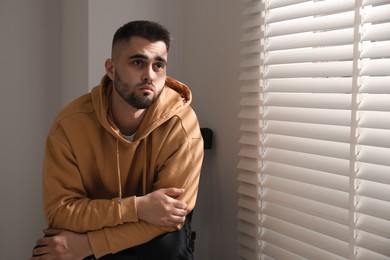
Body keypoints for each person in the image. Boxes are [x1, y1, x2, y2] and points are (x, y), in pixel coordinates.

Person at [31, 20, 204, 259]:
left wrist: (88, 245)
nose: (149, 75)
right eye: (137, 62)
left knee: (169, 247)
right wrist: (138, 207)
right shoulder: (69, 125)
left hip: (151, 239)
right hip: (94, 223)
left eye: (158, 65)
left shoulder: (182, 124)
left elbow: (169, 219)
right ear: (111, 69)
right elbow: (60, 213)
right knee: (50, 250)